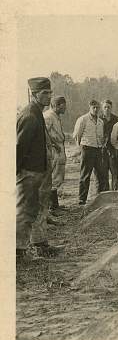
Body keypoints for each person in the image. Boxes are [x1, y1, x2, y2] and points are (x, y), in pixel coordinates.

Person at [16, 77, 59, 260]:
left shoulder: (38, 113)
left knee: (38, 209)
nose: (48, 96)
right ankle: (18, 252)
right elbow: (18, 147)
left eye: (49, 92)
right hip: (29, 173)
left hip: (39, 171)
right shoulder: (29, 116)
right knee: (25, 211)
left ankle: (40, 245)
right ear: (34, 94)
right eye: (44, 93)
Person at [73, 100, 106, 205]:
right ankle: (82, 199)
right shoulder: (83, 119)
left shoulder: (101, 122)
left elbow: (101, 136)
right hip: (87, 149)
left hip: (98, 149)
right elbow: (77, 135)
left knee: (101, 174)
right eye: (94, 107)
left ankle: (100, 197)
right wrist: (80, 148)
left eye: (97, 107)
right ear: (90, 107)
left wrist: (101, 145)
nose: (96, 110)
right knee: (85, 175)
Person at [44, 95, 67, 212]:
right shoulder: (48, 116)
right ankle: (52, 207)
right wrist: (54, 144)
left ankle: (55, 205)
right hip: (54, 150)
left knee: (58, 176)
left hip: (59, 147)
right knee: (54, 177)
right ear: (57, 105)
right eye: (63, 106)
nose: (65, 108)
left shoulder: (56, 116)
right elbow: (45, 134)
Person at [100, 99, 118, 191]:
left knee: (115, 173)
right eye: (105, 107)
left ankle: (116, 193)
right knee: (103, 174)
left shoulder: (117, 120)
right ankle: (105, 194)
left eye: (108, 107)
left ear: (111, 108)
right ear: (102, 108)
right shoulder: (98, 119)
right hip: (102, 150)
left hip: (114, 150)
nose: (107, 109)